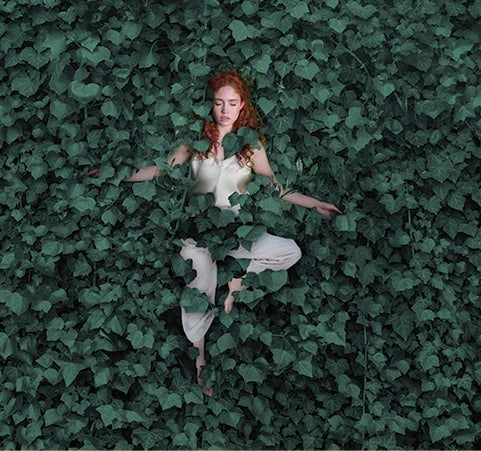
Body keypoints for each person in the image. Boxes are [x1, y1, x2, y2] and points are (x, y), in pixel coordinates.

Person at [123, 68, 341, 395]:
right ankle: (200, 361)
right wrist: (121, 174)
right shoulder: (195, 142)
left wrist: (314, 203)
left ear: (242, 107)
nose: (225, 109)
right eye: (219, 102)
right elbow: (161, 170)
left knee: (289, 251)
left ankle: (236, 281)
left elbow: (275, 186)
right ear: (210, 106)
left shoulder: (250, 146)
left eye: (232, 103)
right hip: (198, 232)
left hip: (237, 230)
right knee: (197, 291)